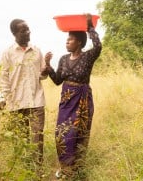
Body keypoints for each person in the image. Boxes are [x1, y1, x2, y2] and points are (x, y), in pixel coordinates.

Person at [44, 14, 102, 179]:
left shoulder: (87, 57)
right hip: (66, 102)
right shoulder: (63, 59)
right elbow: (57, 80)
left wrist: (90, 26)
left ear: (79, 42)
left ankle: (76, 170)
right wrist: (48, 66)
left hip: (82, 101)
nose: (67, 42)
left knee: (79, 134)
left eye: (70, 39)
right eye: (67, 39)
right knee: (62, 134)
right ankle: (65, 168)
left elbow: (98, 46)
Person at [0, 18, 48, 170]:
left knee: (37, 137)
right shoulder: (8, 53)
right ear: (14, 33)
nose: (28, 32)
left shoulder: (37, 50)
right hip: (16, 102)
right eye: (23, 30)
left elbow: (42, 75)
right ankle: (25, 170)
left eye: (28, 29)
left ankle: (38, 171)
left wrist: (45, 71)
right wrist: (2, 98)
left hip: (36, 101)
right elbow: (2, 77)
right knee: (20, 139)